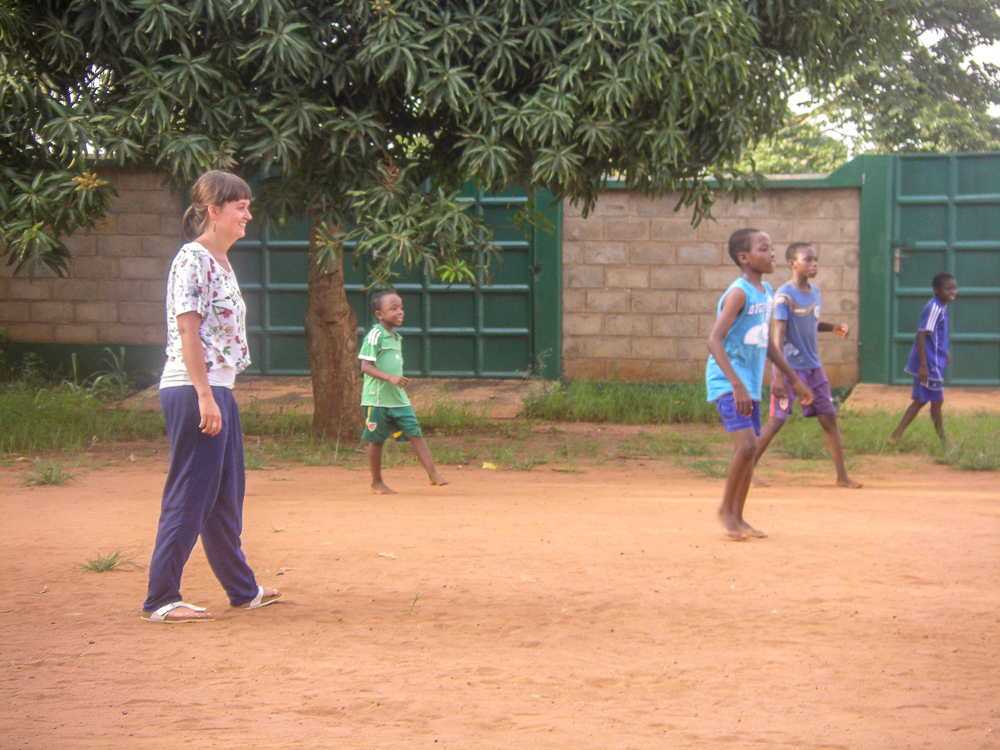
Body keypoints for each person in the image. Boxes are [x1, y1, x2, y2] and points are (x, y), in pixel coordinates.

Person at [142, 170, 279, 623]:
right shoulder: (192, 258)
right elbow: (187, 328)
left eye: (247, 205)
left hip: (219, 387)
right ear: (213, 211)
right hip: (193, 389)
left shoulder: (221, 262)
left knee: (224, 494)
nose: (247, 214)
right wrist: (203, 395)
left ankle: (243, 590)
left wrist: (214, 392)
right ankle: (161, 599)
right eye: (239, 206)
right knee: (191, 493)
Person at [706, 228, 813, 540]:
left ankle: (738, 518)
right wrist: (735, 384)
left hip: (749, 383)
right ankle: (726, 509)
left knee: (749, 451)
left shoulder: (765, 292)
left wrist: (793, 379)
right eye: (764, 249)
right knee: (749, 445)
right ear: (744, 258)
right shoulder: (739, 292)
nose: (772, 254)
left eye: (771, 248)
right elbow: (714, 340)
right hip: (728, 380)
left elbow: (766, 343)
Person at [751, 242, 862, 488]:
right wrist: (778, 376)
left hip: (814, 368)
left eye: (815, 260)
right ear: (793, 264)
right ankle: (746, 470)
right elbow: (778, 336)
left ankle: (842, 476)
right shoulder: (783, 297)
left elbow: (809, 323)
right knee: (776, 420)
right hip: (789, 369)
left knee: (829, 419)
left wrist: (831, 327)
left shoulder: (815, 293)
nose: (814, 264)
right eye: (808, 260)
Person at [359, 291, 448, 494]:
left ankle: (433, 474)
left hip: (398, 399)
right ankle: (376, 482)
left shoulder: (396, 337)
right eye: (394, 308)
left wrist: (396, 379)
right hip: (378, 399)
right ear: (379, 314)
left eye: (401, 307)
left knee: (415, 433)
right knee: (377, 440)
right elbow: (365, 366)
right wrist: (390, 377)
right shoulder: (374, 335)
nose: (400, 312)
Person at [889, 272, 958, 444]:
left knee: (920, 400)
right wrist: (924, 366)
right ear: (936, 290)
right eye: (948, 289)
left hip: (934, 360)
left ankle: (895, 436)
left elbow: (935, 335)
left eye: (954, 288)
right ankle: (943, 441)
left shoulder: (942, 307)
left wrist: (945, 351)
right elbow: (921, 335)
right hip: (929, 363)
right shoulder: (933, 308)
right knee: (937, 401)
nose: (952, 292)